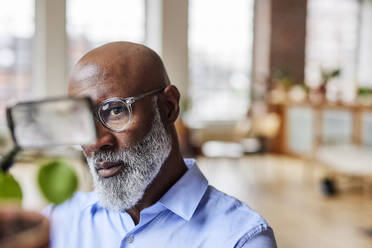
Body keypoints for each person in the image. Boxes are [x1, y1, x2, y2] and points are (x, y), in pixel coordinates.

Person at [44, 42, 277, 248]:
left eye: (115, 111)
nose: (94, 143)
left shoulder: (240, 238)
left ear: (168, 107)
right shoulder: (54, 223)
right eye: (80, 120)